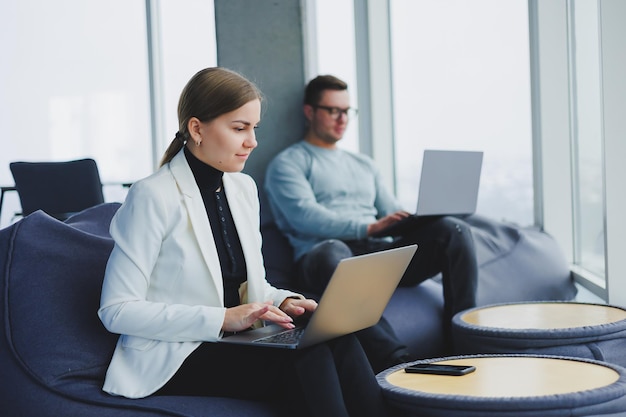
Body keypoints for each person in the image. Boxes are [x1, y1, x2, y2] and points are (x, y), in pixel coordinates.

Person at [98, 67, 389, 417]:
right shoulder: (152, 196)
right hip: (179, 352)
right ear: (197, 129)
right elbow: (116, 310)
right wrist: (222, 318)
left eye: (254, 128)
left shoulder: (242, 188)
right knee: (308, 358)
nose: (252, 141)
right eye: (239, 128)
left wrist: (287, 300)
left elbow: (252, 285)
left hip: (239, 339)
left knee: (338, 339)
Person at [264, 74, 478, 365]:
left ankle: (465, 343)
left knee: (453, 230)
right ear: (310, 111)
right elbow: (305, 217)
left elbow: (389, 209)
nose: (342, 119)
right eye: (333, 110)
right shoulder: (289, 163)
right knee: (334, 251)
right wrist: (368, 226)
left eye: (347, 111)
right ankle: (396, 359)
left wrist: (414, 220)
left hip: (376, 250)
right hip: (323, 254)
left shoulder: (363, 164)